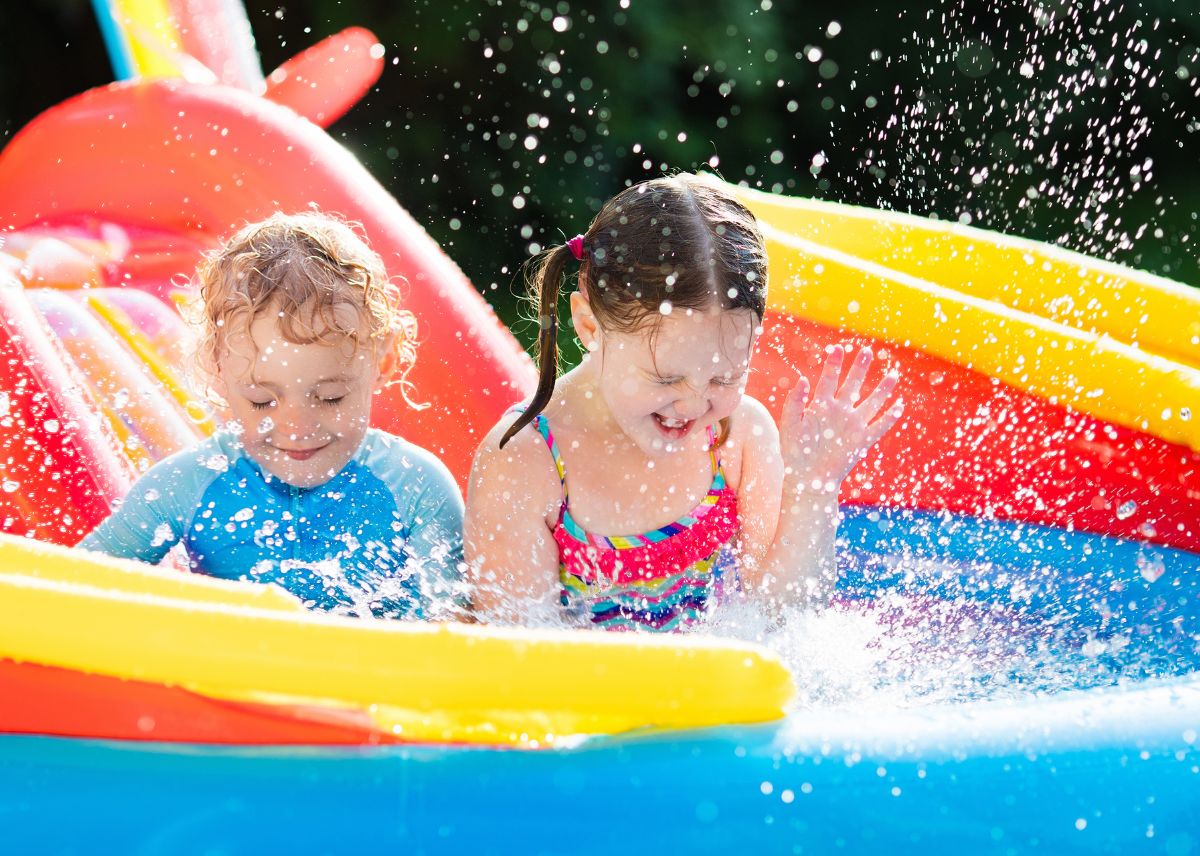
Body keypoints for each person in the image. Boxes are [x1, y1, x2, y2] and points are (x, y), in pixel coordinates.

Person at [465, 174, 902, 631]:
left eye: (724, 377)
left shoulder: (738, 436)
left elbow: (782, 622)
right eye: (666, 377)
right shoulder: (524, 461)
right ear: (590, 327)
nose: (693, 406)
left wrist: (813, 487)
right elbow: (519, 664)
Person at [81, 212, 466, 621]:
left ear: (382, 358)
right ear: (217, 366)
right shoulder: (186, 485)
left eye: (330, 397)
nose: (297, 428)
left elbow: (456, 629)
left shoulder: (415, 486)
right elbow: (76, 587)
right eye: (262, 401)